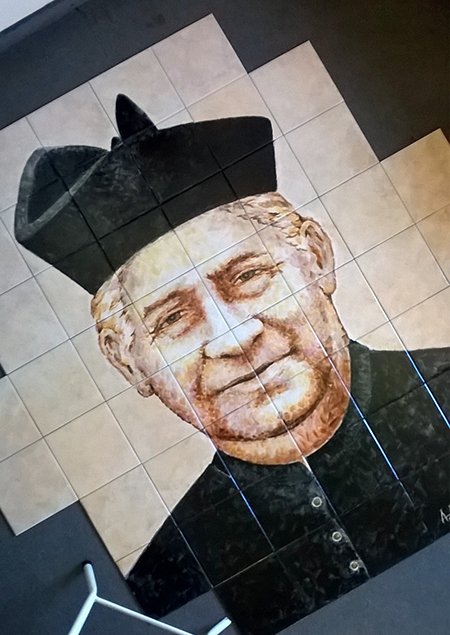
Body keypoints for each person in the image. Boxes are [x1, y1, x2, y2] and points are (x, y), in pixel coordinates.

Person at [15, 95, 449, 635]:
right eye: (173, 318)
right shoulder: (170, 575)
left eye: (247, 277)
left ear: (315, 258)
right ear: (129, 363)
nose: (232, 337)